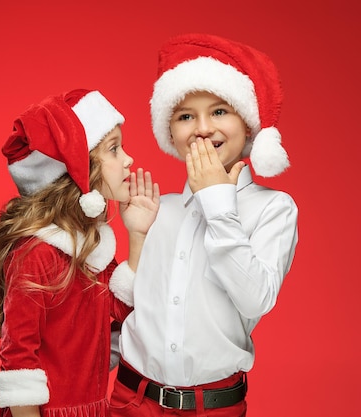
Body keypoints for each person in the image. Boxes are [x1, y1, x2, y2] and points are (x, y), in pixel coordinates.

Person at [110, 33, 299, 416]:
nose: (201, 128)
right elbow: (131, 313)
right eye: (184, 116)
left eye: (219, 112)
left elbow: (255, 298)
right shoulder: (158, 208)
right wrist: (137, 237)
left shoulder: (274, 209)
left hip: (211, 407)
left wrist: (217, 203)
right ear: (171, 133)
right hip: (130, 400)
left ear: (247, 125)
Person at [0, 89, 159, 417]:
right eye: (114, 148)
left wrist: (138, 234)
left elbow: (129, 314)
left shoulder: (90, 246)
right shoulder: (38, 253)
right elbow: (19, 362)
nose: (128, 159)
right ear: (78, 171)